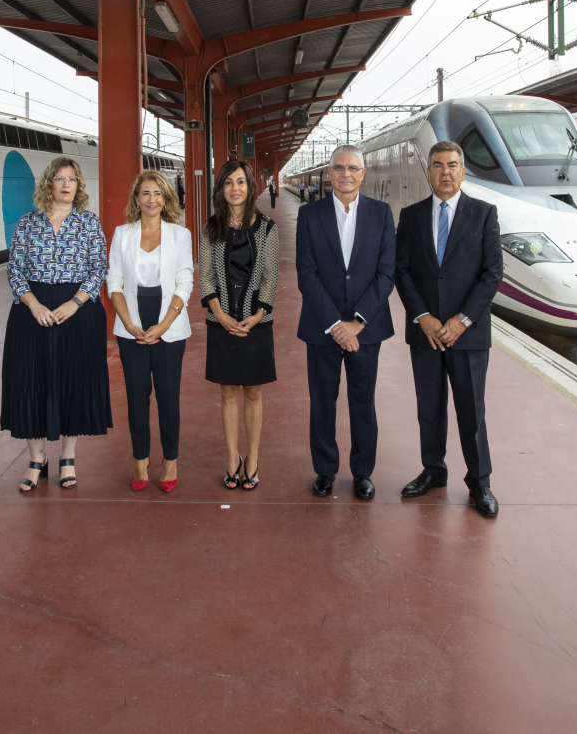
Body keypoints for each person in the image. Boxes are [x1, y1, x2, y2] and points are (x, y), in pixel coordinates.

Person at [394, 140, 502, 519]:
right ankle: (433, 471)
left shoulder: (484, 214)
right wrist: (423, 316)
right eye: (438, 165)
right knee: (429, 408)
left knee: (471, 410)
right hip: (426, 333)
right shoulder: (411, 216)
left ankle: (480, 482)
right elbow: (402, 271)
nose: (445, 172)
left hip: (467, 334)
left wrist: (461, 320)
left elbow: (492, 274)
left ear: (463, 171)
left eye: (452, 165)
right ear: (428, 172)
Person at [0, 156, 112, 492]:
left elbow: (99, 268)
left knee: (72, 381)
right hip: (31, 312)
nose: (66, 184)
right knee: (30, 381)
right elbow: (14, 269)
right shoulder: (27, 223)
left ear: (78, 186)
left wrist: (74, 302)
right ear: (49, 182)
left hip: (76, 312)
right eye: (60, 178)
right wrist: (32, 304)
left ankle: (67, 457)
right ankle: (36, 459)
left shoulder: (89, 223)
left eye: (72, 179)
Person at [295, 145, 394, 501]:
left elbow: (386, 274)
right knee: (322, 400)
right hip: (323, 328)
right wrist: (336, 324)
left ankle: (363, 472)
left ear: (363, 173)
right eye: (339, 167)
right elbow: (306, 274)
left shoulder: (382, 214)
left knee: (362, 402)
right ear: (329, 173)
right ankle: (325, 470)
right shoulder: (310, 215)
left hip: (367, 329)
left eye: (353, 168)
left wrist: (357, 322)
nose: (346, 174)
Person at [107, 170, 193, 493]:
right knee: (136, 397)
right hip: (131, 322)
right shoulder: (122, 234)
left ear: (166, 198)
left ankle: (170, 460)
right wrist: (129, 324)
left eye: (158, 193)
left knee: (168, 398)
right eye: (145, 193)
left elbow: (184, 282)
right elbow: (114, 281)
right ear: (136, 199)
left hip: (168, 323)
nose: (152, 199)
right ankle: (140, 458)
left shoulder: (179, 235)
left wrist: (164, 324)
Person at [199, 158, 278, 491]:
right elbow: (205, 277)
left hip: (256, 323)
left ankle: (253, 458)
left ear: (251, 187)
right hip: (221, 323)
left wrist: (258, 314)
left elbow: (271, 277)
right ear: (221, 188)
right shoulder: (211, 228)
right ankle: (232, 459)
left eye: (241, 182)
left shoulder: (268, 228)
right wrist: (220, 314)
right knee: (228, 392)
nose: (235, 188)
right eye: (228, 182)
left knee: (254, 394)